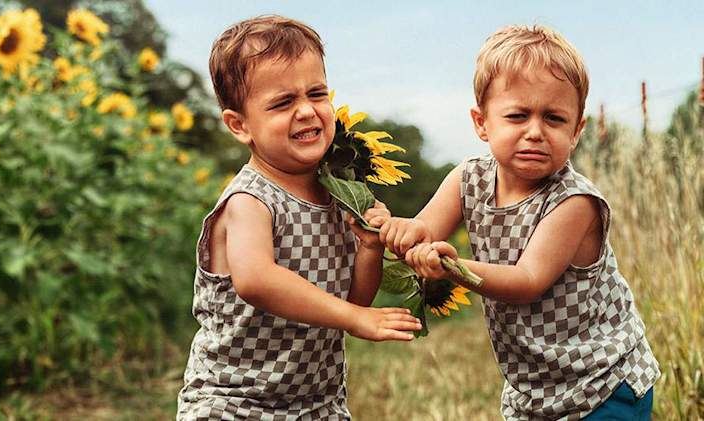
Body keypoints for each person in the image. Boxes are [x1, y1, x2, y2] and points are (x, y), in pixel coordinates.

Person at [379, 25, 660, 420]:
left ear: (577, 130)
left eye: (554, 119)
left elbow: (527, 281)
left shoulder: (574, 201)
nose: (535, 132)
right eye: (517, 115)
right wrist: (396, 230)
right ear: (482, 122)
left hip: (602, 384)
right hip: (534, 389)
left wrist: (452, 265)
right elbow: (424, 229)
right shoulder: (468, 178)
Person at [177, 15, 423, 420]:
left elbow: (353, 300)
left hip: (317, 403)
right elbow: (257, 279)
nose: (307, 111)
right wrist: (355, 317)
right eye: (283, 102)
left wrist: (369, 249)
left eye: (316, 93)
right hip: (233, 401)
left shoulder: (338, 195)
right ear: (239, 125)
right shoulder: (250, 199)